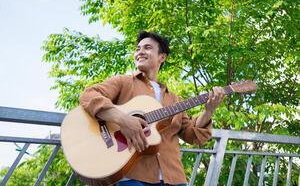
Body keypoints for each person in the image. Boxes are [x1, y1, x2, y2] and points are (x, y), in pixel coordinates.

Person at [79, 31, 225, 186]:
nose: (140, 52)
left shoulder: (175, 100)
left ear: (162, 57)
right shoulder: (123, 82)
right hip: (132, 175)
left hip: (173, 177)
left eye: (147, 48)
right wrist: (123, 120)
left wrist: (209, 111)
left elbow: (191, 136)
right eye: (137, 49)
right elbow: (88, 95)